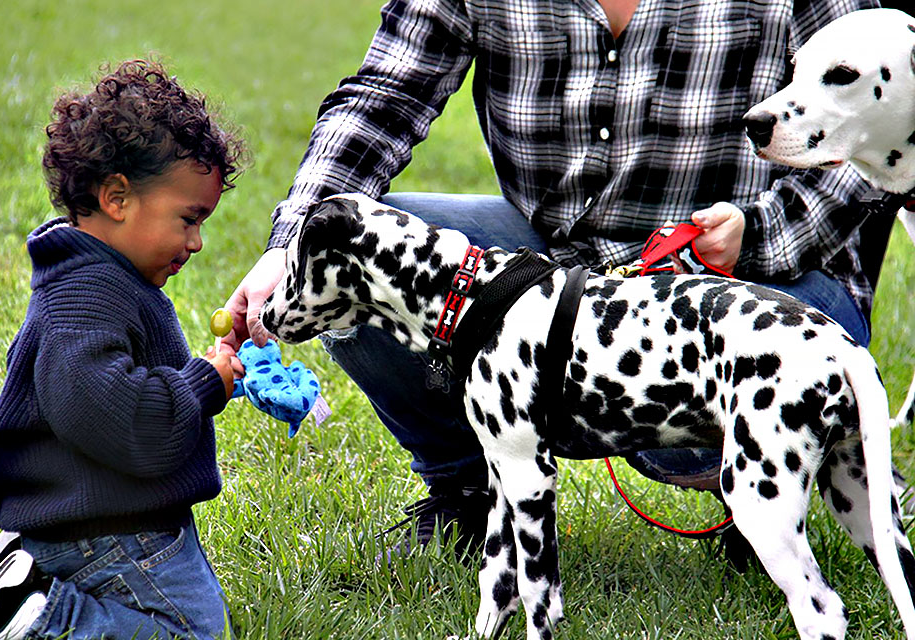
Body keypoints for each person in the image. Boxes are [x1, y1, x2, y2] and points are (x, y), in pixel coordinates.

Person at [225, 0, 882, 562]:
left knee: (786, 368)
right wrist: (292, 244)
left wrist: (761, 232)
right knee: (352, 260)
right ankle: (470, 491)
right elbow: (385, 99)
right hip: (556, 263)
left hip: (753, 275)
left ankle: (757, 487)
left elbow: (878, 122)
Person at [0, 59, 245, 640]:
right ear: (116, 197)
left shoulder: (105, 277)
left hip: (114, 516)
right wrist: (201, 382)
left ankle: (34, 582)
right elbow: (124, 418)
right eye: (188, 219)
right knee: (193, 634)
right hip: (103, 530)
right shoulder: (85, 295)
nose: (197, 241)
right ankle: (38, 613)